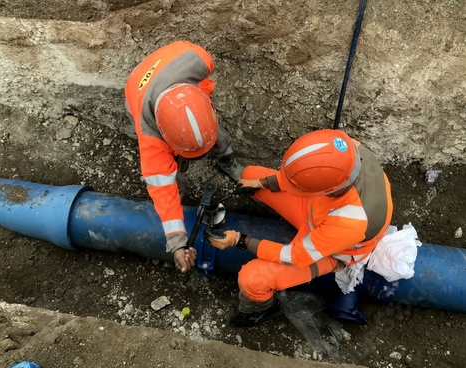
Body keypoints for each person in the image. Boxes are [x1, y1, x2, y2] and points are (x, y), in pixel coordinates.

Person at [205, 129, 393, 327]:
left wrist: (240, 240)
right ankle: (270, 207)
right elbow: (305, 178)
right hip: (318, 210)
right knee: (251, 174)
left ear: (326, 190)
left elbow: (294, 256)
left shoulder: (350, 220)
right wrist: (261, 182)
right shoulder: (343, 149)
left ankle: (261, 309)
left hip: (335, 251)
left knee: (253, 279)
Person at [125, 41, 244, 274]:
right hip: (137, 89)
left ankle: (227, 160)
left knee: (213, 135)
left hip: (175, 64)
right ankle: (180, 186)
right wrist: (178, 242)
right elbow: (162, 191)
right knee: (171, 185)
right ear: (164, 135)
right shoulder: (151, 141)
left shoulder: (200, 60)